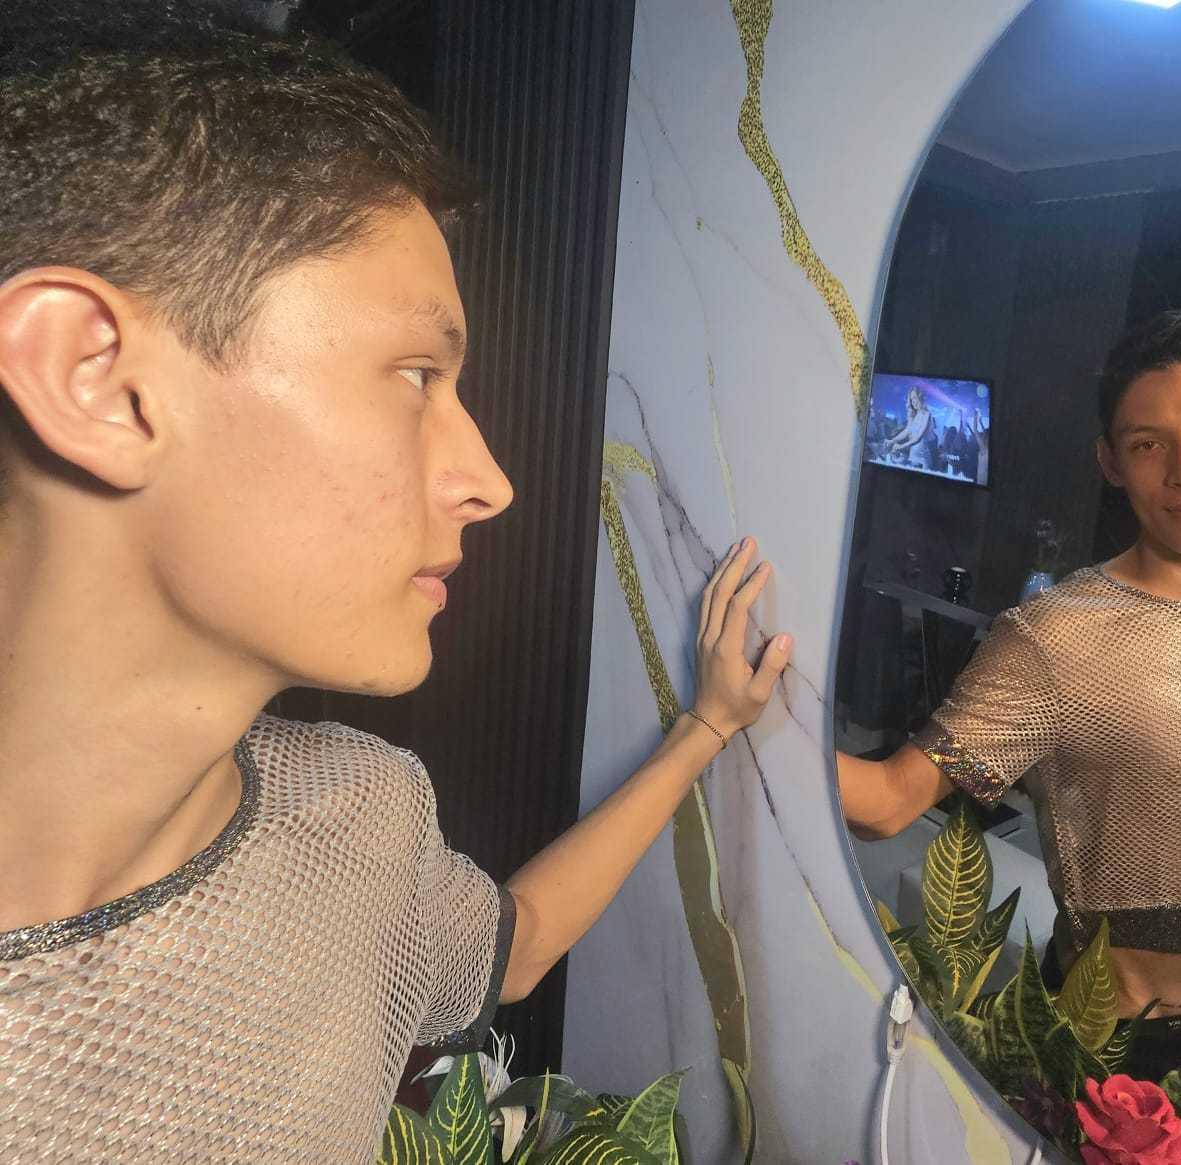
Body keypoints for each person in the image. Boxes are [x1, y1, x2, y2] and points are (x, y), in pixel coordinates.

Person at [0, 5, 792, 1161]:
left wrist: (708, 726)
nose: (491, 483)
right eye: (417, 373)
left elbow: (513, 944)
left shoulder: (364, 817)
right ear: (97, 380)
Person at [838, 307, 1181, 1131]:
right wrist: (741, 716)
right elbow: (890, 800)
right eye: (1148, 444)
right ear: (1110, 460)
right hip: (1112, 1043)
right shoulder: (1054, 638)